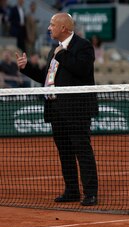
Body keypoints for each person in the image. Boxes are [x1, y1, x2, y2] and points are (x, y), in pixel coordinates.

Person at [16, 12, 99, 206]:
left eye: (52, 24)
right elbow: (47, 79)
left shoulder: (83, 46)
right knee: (65, 152)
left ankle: (91, 193)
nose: (48, 28)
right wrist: (27, 68)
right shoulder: (54, 50)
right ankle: (71, 191)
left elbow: (82, 69)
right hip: (56, 110)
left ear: (63, 27)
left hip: (77, 110)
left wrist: (62, 54)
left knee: (82, 151)